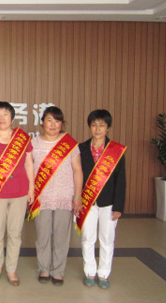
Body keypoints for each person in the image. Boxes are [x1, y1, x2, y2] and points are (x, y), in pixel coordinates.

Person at [0, 102, 34, 286]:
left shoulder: (22, 138)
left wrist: (31, 188)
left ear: (12, 117)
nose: (2, 118)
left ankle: (11, 269)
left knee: (15, 233)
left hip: (19, 192)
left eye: (6, 114)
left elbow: (29, 164)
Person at [29, 106, 82, 286]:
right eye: (49, 120)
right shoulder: (34, 143)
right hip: (41, 197)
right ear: (42, 122)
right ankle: (44, 269)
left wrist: (77, 196)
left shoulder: (69, 143)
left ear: (62, 124)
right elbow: (28, 169)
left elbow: (77, 170)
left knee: (61, 236)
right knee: (42, 235)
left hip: (64, 197)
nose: (53, 125)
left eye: (57, 121)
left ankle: (58, 271)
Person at [77, 109, 127, 289]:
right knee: (87, 238)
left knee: (107, 239)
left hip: (109, 203)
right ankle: (89, 272)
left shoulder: (116, 150)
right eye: (94, 125)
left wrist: (119, 206)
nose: (97, 129)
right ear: (89, 127)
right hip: (87, 201)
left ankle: (104, 274)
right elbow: (77, 175)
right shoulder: (81, 148)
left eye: (102, 125)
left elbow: (121, 180)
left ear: (108, 128)